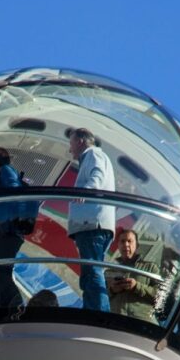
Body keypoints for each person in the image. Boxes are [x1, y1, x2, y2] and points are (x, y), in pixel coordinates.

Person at [66, 127, 115, 312]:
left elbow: (97, 176)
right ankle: (92, 310)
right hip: (92, 224)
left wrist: (84, 191)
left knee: (93, 270)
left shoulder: (94, 154)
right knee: (89, 271)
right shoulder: (92, 157)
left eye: (71, 143)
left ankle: (100, 312)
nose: (70, 149)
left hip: (92, 225)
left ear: (80, 141)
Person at [0, 146, 25, 309]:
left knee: (3, 276)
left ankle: (15, 309)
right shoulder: (6, 173)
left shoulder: (6, 172)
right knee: (3, 275)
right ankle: (10, 308)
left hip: (5, 233)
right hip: (4, 233)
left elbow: (15, 192)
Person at [106, 228, 164, 323]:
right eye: (122, 241)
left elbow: (161, 297)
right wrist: (112, 290)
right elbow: (99, 297)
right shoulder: (109, 272)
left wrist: (136, 286)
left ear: (137, 245)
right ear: (118, 246)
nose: (126, 245)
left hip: (143, 324)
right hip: (116, 324)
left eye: (129, 241)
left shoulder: (151, 268)